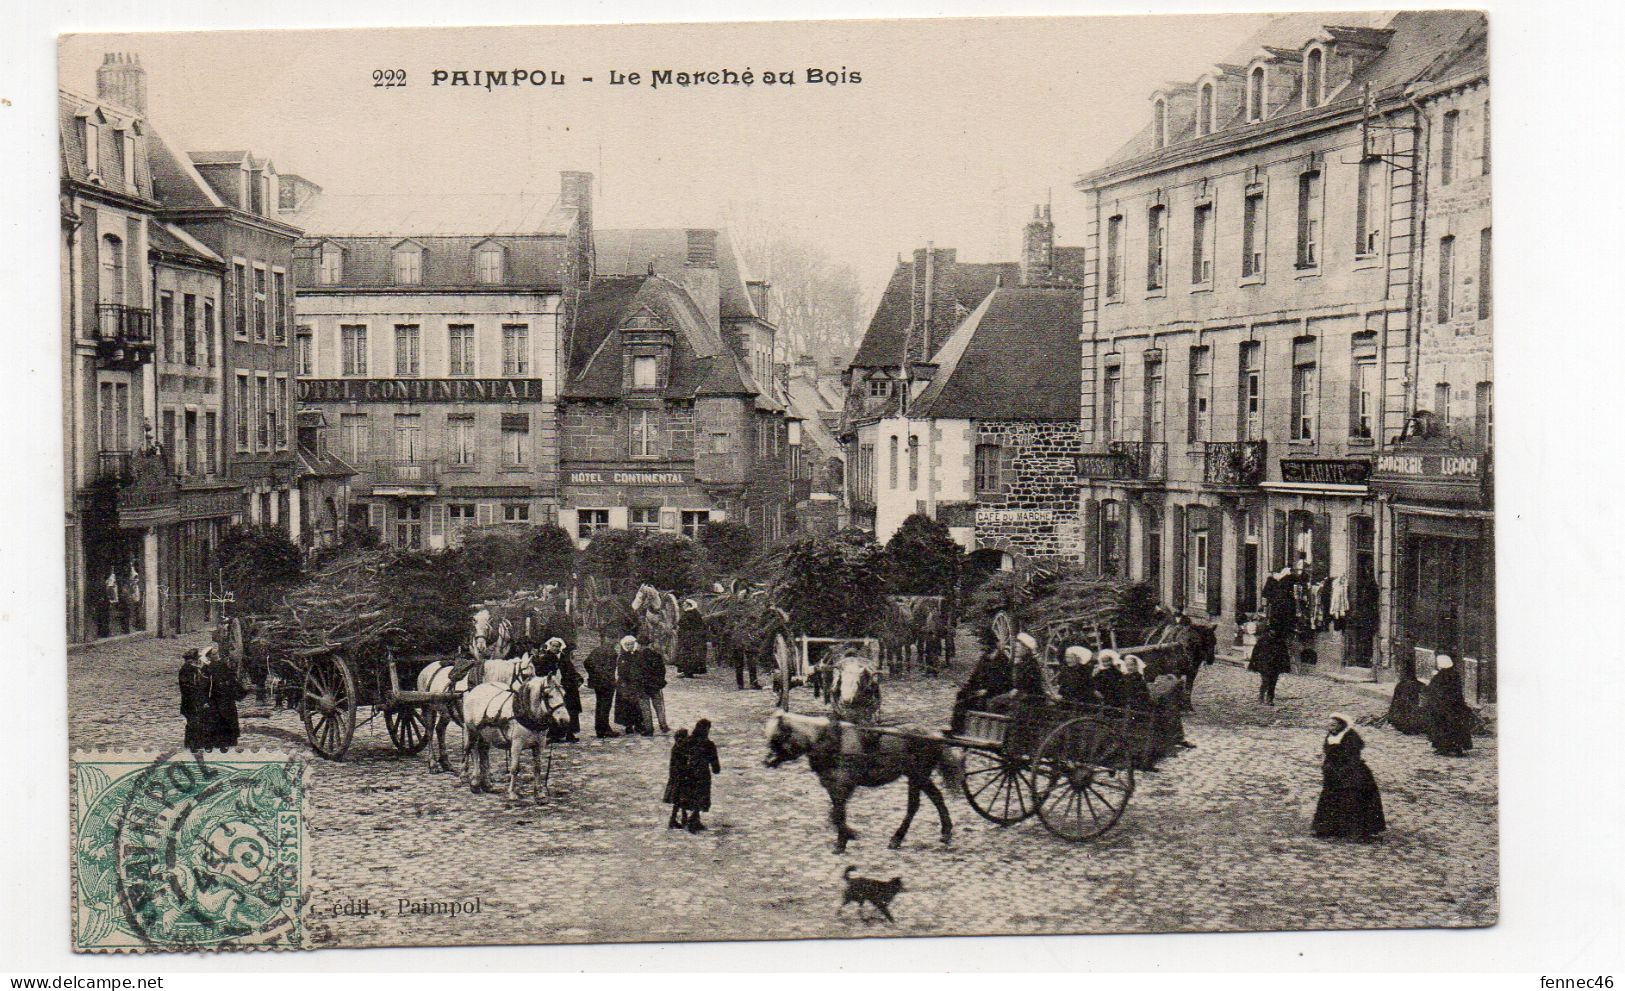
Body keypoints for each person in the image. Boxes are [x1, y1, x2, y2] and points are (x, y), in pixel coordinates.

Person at [1311, 713, 1386, 841]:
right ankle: (1328, 829)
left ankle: (1355, 831)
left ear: (1341, 725)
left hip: (1352, 773)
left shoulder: (1351, 738)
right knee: (1331, 799)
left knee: (1352, 799)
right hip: (1334, 773)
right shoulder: (1331, 735)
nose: (1330, 727)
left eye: (1333, 725)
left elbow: (1351, 757)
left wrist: (1341, 769)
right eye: (1329, 724)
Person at [949, 631, 1013, 732]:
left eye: (985, 647)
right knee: (961, 695)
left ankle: (973, 730)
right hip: (980, 691)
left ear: (993, 647)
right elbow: (974, 677)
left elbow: (1004, 684)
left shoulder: (1003, 661)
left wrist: (987, 691)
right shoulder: (983, 659)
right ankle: (956, 729)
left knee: (971, 702)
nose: (983, 651)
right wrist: (967, 687)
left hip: (994, 693)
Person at [1423, 655, 1474, 756]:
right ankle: (1457, 748)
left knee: (1441, 726)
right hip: (1455, 706)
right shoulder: (1455, 675)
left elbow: (1432, 690)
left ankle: (1443, 747)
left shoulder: (1439, 676)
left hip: (1441, 707)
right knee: (1455, 726)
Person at [677, 718, 720, 832]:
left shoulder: (687, 742)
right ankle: (695, 818)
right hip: (702, 774)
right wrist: (715, 768)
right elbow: (715, 766)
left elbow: (679, 755)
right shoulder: (709, 745)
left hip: (687, 772)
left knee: (686, 794)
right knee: (700, 795)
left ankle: (685, 815)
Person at [537, 637, 582, 742]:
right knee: (554, 709)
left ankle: (570, 733)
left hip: (567, 687)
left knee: (571, 709)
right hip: (553, 688)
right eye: (553, 646)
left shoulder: (564, 658)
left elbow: (571, 671)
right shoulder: (545, 658)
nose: (555, 648)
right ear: (549, 646)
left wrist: (577, 679)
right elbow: (540, 673)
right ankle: (554, 734)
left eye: (557, 646)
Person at [179, 646, 219, 750]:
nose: (196, 661)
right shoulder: (186, 670)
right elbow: (189, 688)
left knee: (196, 723)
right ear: (190, 660)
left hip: (194, 702)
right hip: (190, 702)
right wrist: (200, 700)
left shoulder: (193, 669)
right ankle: (192, 746)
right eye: (194, 659)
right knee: (193, 723)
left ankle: (194, 744)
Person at [582, 631, 622, 739]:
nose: (616, 642)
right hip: (607, 683)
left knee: (599, 705)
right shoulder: (612, 652)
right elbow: (608, 670)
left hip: (597, 683)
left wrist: (593, 675)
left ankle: (600, 729)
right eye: (615, 639)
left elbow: (586, 662)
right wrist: (607, 678)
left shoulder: (598, 649)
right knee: (605, 706)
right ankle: (604, 729)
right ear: (612, 640)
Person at [613, 635, 653, 736]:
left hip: (636, 683)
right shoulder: (622, 656)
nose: (630, 646)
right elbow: (621, 670)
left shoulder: (639, 655)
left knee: (637, 705)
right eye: (627, 644)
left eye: (631, 644)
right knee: (626, 705)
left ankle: (638, 724)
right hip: (625, 684)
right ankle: (628, 725)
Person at [636, 637, 672, 734]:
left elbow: (636, 673)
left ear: (639, 645)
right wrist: (659, 682)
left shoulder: (637, 657)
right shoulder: (656, 655)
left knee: (645, 708)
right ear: (648, 644)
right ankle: (663, 725)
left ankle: (649, 728)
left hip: (643, 686)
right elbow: (662, 671)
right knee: (659, 706)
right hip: (655, 686)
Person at [1249, 627, 1291, 705]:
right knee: (1265, 680)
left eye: (1275, 630)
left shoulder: (1280, 641)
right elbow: (1255, 652)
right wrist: (1253, 663)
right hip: (1264, 664)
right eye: (1272, 630)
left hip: (1275, 665)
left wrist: (1285, 665)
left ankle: (1270, 699)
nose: (1274, 631)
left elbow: (1285, 654)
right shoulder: (1262, 640)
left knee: (1273, 682)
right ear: (1269, 630)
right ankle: (1261, 696)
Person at [663, 729, 693, 829]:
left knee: (680, 801)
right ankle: (676, 819)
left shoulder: (678, 748)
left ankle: (680, 818)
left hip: (679, 778)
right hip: (679, 779)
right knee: (679, 801)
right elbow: (679, 765)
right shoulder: (678, 749)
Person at [675, 599, 708, 677]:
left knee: (687, 654)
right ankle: (691, 671)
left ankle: (687, 672)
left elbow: (682, 624)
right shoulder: (696, 614)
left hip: (688, 638)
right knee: (694, 654)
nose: (683, 606)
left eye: (684, 605)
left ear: (689, 605)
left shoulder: (688, 614)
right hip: (695, 638)